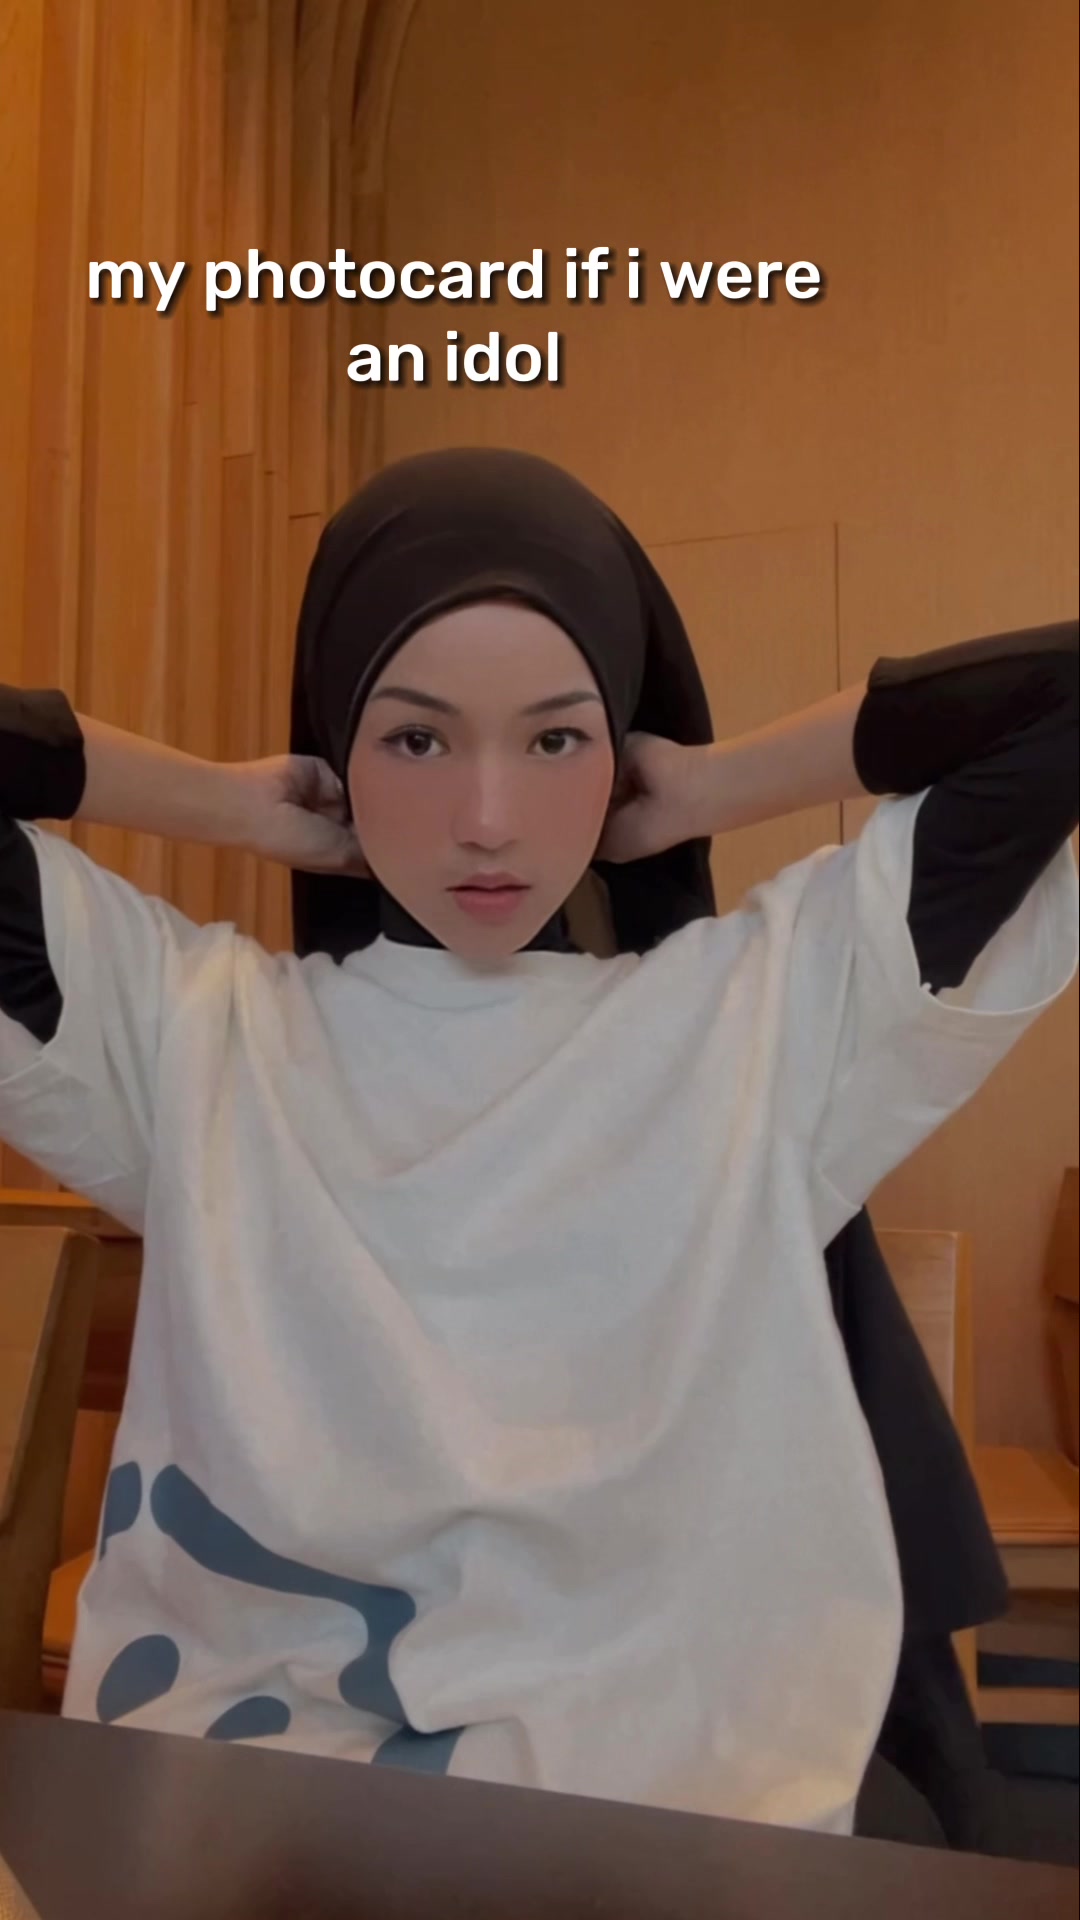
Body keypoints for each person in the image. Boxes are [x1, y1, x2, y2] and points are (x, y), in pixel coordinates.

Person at [0, 447, 1076, 1837]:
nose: (489, 820)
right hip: (255, 1811)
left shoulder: (764, 1018)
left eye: (557, 740)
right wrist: (225, 802)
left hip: (670, 1820)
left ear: (621, 749)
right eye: (416, 740)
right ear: (338, 748)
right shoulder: (189, 1031)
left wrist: (716, 785)